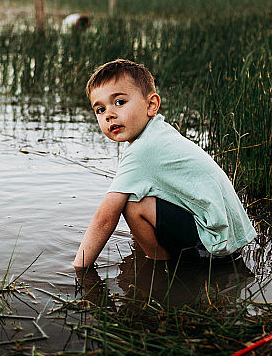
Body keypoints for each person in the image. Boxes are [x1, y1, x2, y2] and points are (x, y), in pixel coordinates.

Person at [73, 59, 256, 269]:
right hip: (227, 235)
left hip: (215, 245)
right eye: (100, 109)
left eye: (120, 102)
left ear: (151, 105)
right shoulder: (158, 133)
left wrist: (79, 270)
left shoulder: (143, 150)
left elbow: (104, 219)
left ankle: (159, 267)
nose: (109, 115)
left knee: (133, 203)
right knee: (139, 192)